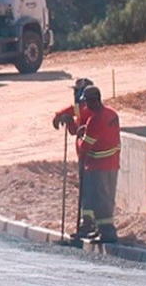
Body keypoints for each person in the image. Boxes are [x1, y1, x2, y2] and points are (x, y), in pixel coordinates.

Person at [75, 85, 121, 244]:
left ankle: (107, 234)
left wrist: (81, 136)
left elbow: (85, 147)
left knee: (99, 201)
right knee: (106, 199)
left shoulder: (95, 120)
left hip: (98, 167)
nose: (85, 105)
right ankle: (101, 231)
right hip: (113, 165)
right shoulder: (112, 114)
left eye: (86, 102)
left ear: (93, 101)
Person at [52, 77, 96, 236]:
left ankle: (89, 224)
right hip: (84, 156)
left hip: (90, 157)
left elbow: (74, 115)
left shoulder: (85, 108)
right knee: (88, 191)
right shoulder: (85, 108)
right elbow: (74, 129)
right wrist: (66, 119)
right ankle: (89, 223)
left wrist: (61, 116)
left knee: (89, 191)